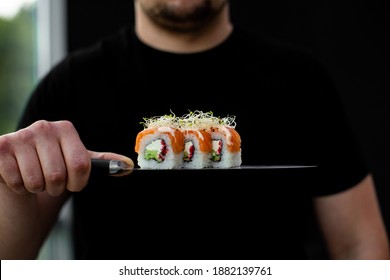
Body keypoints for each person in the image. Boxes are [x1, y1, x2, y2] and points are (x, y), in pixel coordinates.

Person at [0, 0, 389, 260]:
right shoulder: (70, 85)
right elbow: (11, 256)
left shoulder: (303, 81)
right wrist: (10, 182)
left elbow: (361, 245)